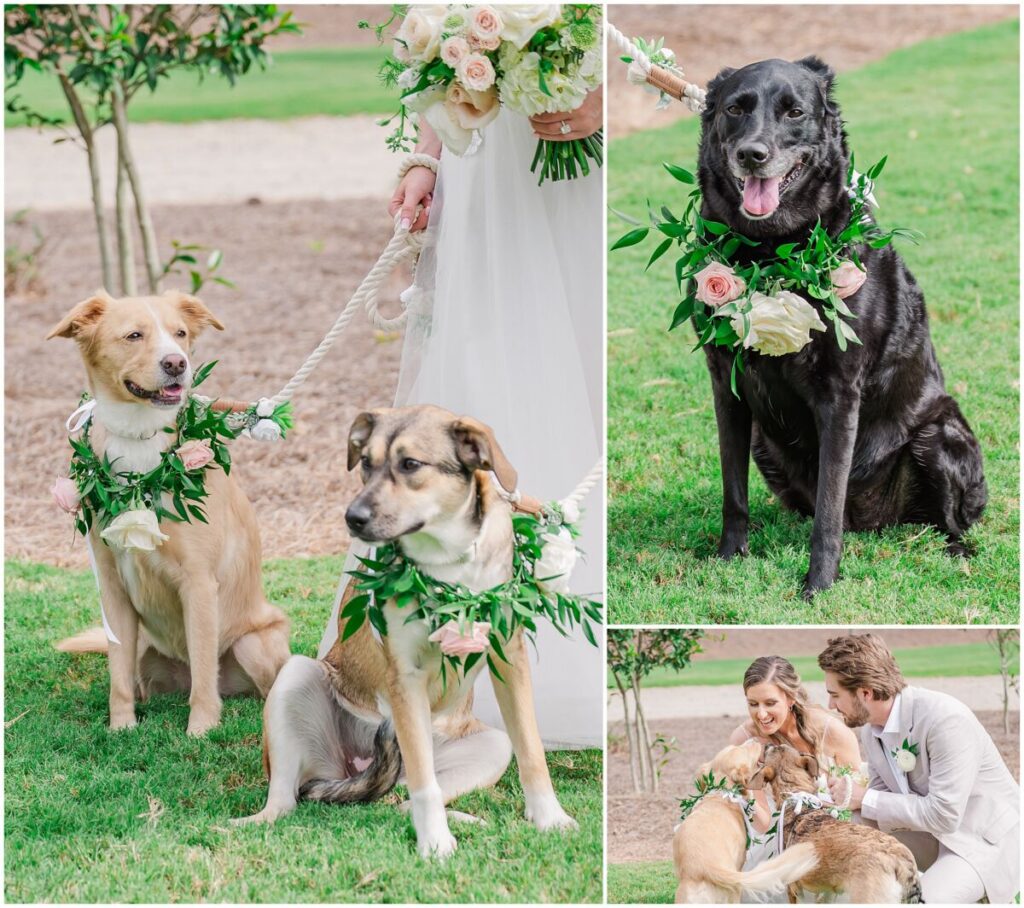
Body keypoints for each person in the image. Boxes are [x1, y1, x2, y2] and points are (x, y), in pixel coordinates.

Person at [317, 83, 605, 749]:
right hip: (480, 164)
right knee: (473, 351)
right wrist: (426, 158)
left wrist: (599, 98)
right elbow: (446, 64)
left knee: (575, 347)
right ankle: (435, 653)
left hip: (572, 151)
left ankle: (561, 635)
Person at [819, 634, 1020, 904]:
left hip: (981, 840)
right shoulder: (871, 730)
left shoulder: (945, 720)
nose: (831, 705)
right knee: (854, 824)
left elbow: (945, 815)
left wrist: (864, 797)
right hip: (933, 835)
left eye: (835, 695)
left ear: (865, 693)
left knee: (921, 902)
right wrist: (838, 801)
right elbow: (878, 800)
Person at [728, 655, 862, 895]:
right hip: (775, 835)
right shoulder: (744, 740)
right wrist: (749, 787)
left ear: (790, 699)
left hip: (836, 829)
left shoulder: (830, 731)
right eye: (753, 704)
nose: (760, 714)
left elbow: (856, 796)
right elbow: (759, 819)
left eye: (770, 703)